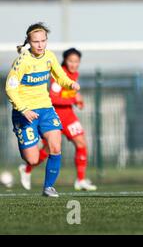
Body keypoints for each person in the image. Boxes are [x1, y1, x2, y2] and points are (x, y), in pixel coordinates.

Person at [5, 22, 80, 197]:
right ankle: (20, 134)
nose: (40, 45)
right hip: (24, 113)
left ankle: (48, 187)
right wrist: (23, 109)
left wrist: (70, 83)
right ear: (29, 42)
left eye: (43, 41)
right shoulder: (22, 61)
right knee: (31, 159)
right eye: (36, 41)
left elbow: (60, 77)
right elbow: (10, 88)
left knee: (55, 146)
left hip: (46, 109)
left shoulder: (49, 57)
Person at [18, 48, 97, 191]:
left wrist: (78, 98)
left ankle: (80, 179)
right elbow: (53, 98)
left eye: (76, 61)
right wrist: (73, 99)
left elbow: (69, 94)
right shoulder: (58, 75)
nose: (73, 64)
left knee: (81, 143)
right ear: (65, 61)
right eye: (71, 61)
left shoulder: (75, 74)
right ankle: (27, 169)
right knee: (48, 150)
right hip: (55, 116)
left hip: (69, 116)